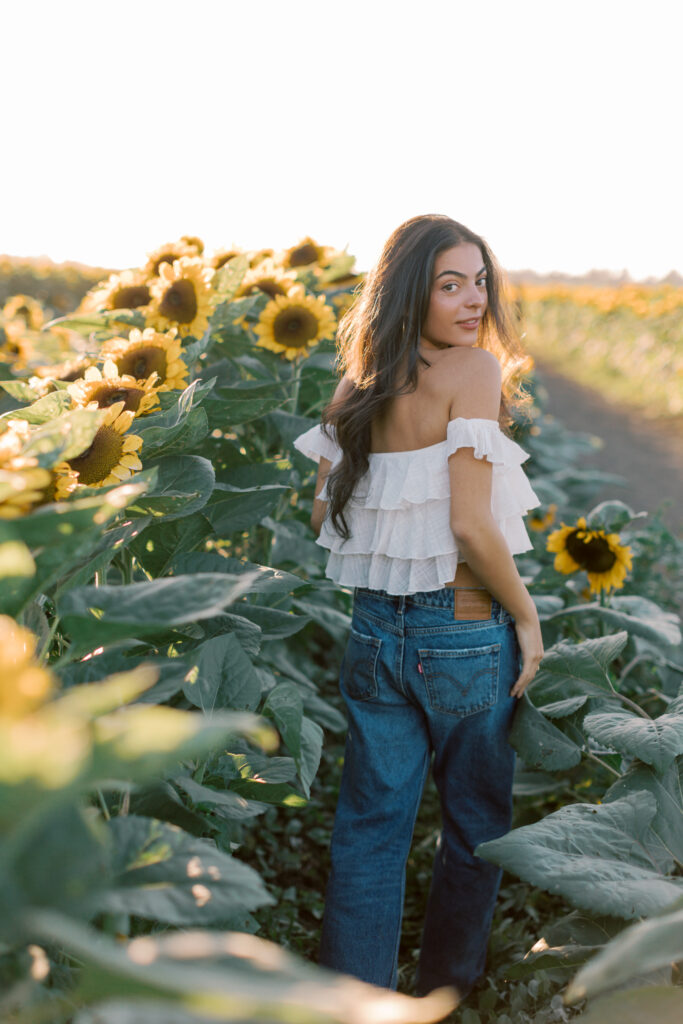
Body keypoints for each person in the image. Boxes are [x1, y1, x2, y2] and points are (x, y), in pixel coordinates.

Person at [292, 214, 545, 999]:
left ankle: (354, 1005)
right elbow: (469, 524)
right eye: (449, 285)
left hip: (374, 632)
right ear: (410, 291)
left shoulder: (359, 380)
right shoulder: (472, 371)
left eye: (479, 281)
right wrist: (528, 618)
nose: (472, 301)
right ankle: (446, 992)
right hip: (464, 630)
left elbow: (319, 514)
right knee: (474, 827)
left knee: (369, 832)